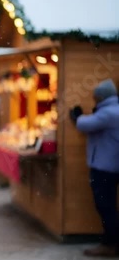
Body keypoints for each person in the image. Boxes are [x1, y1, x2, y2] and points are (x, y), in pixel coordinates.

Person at [70, 79, 119, 257]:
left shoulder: (109, 112)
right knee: (108, 205)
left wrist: (76, 117)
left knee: (105, 205)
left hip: (105, 166)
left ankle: (110, 243)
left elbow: (85, 125)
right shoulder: (112, 110)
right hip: (110, 164)